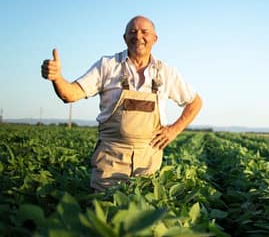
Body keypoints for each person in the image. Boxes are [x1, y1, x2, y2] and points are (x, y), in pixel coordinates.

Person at [41, 15, 202, 191]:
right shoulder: (107, 66)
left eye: (144, 32)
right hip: (111, 160)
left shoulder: (166, 72)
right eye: (132, 32)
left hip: (149, 162)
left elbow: (195, 102)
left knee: (144, 213)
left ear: (154, 39)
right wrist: (56, 78)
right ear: (125, 38)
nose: (138, 36)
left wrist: (174, 130)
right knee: (105, 211)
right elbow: (70, 94)